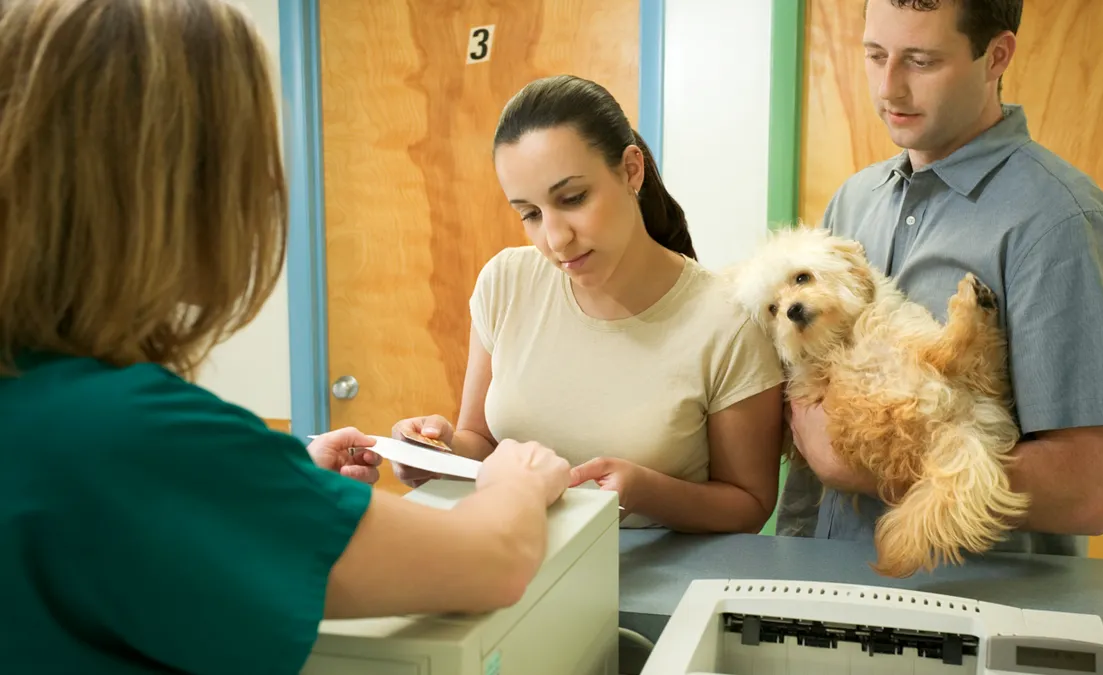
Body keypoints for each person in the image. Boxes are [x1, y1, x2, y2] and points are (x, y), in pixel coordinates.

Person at [0, 1, 574, 673]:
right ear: (178, 182)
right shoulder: (129, 433)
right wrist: (515, 479)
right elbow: (495, 558)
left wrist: (283, 480)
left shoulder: (49, 400)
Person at [779, 0, 1103, 556]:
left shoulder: (1064, 226)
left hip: (974, 610)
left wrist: (851, 466)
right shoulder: (853, 201)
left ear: (996, 55)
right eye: (875, 55)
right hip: (826, 583)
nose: (889, 89)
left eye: (921, 62)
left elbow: (1088, 490)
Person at [392, 75, 786, 534]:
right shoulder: (506, 281)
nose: (556, 239)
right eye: (530, 214)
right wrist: (436, 450)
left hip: (658, 590)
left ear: (631, 170)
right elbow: (480, 440)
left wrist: (647, 492)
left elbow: (750, 504)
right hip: (516, 569)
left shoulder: (729, 321)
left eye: (573, 198)